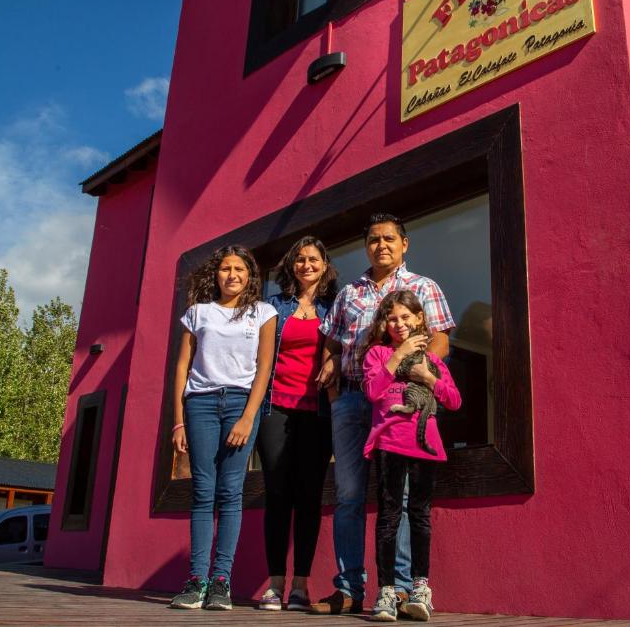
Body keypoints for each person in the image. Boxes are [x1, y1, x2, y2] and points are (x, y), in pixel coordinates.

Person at [310, 213, 455, 615]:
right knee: (349, 496)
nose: (381, 245)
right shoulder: (348, 293)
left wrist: (424, 373)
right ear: (366, 245)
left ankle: (404, 589)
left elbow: (441, 335)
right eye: (374, 239)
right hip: (355, 400)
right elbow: (335, 345)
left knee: (403, 496)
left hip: (399, 401)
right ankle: (349, 587)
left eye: (389, 238)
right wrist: (335, 384)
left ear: (404, 244)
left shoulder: (423, 287)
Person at [168, 245, 277, 611]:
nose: (232, 275)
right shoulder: (197, 313)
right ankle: (196, 579)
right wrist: (178, 421)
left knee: (230, 492)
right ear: (216, 274)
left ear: (250, 276)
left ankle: (221, 582)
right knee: (203, 490)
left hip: (240, 403)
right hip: (200, 404)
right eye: (226, 268)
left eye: (240, 269)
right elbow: (182, 369)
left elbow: (264, 367)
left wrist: (249, 416)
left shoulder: (263, 312)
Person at [362, 290, 461, 621]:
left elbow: (454, 400)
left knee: (419, 514)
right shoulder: (377, 354)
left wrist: (427, 378)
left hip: (425, 445)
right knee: (390, 514)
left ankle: (420, 588)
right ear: (385, 324)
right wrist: (398, 355)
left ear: (420, 319)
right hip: (390, 442)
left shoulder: (431, 360)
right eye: (392, 318)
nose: (399, 323)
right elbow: (373, 391)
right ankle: (387, 591)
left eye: (406, 317)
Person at [256, 236, 337, 611]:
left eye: (314, 259)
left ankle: (300, 586)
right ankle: (274, 584)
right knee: (277, 495)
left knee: (309, 498)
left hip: (318, 412)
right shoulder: (272, 306)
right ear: (292, 266)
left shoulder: (334, 307)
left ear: (325, 265)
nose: (307, 265)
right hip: (276, 408)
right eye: (300, 259)